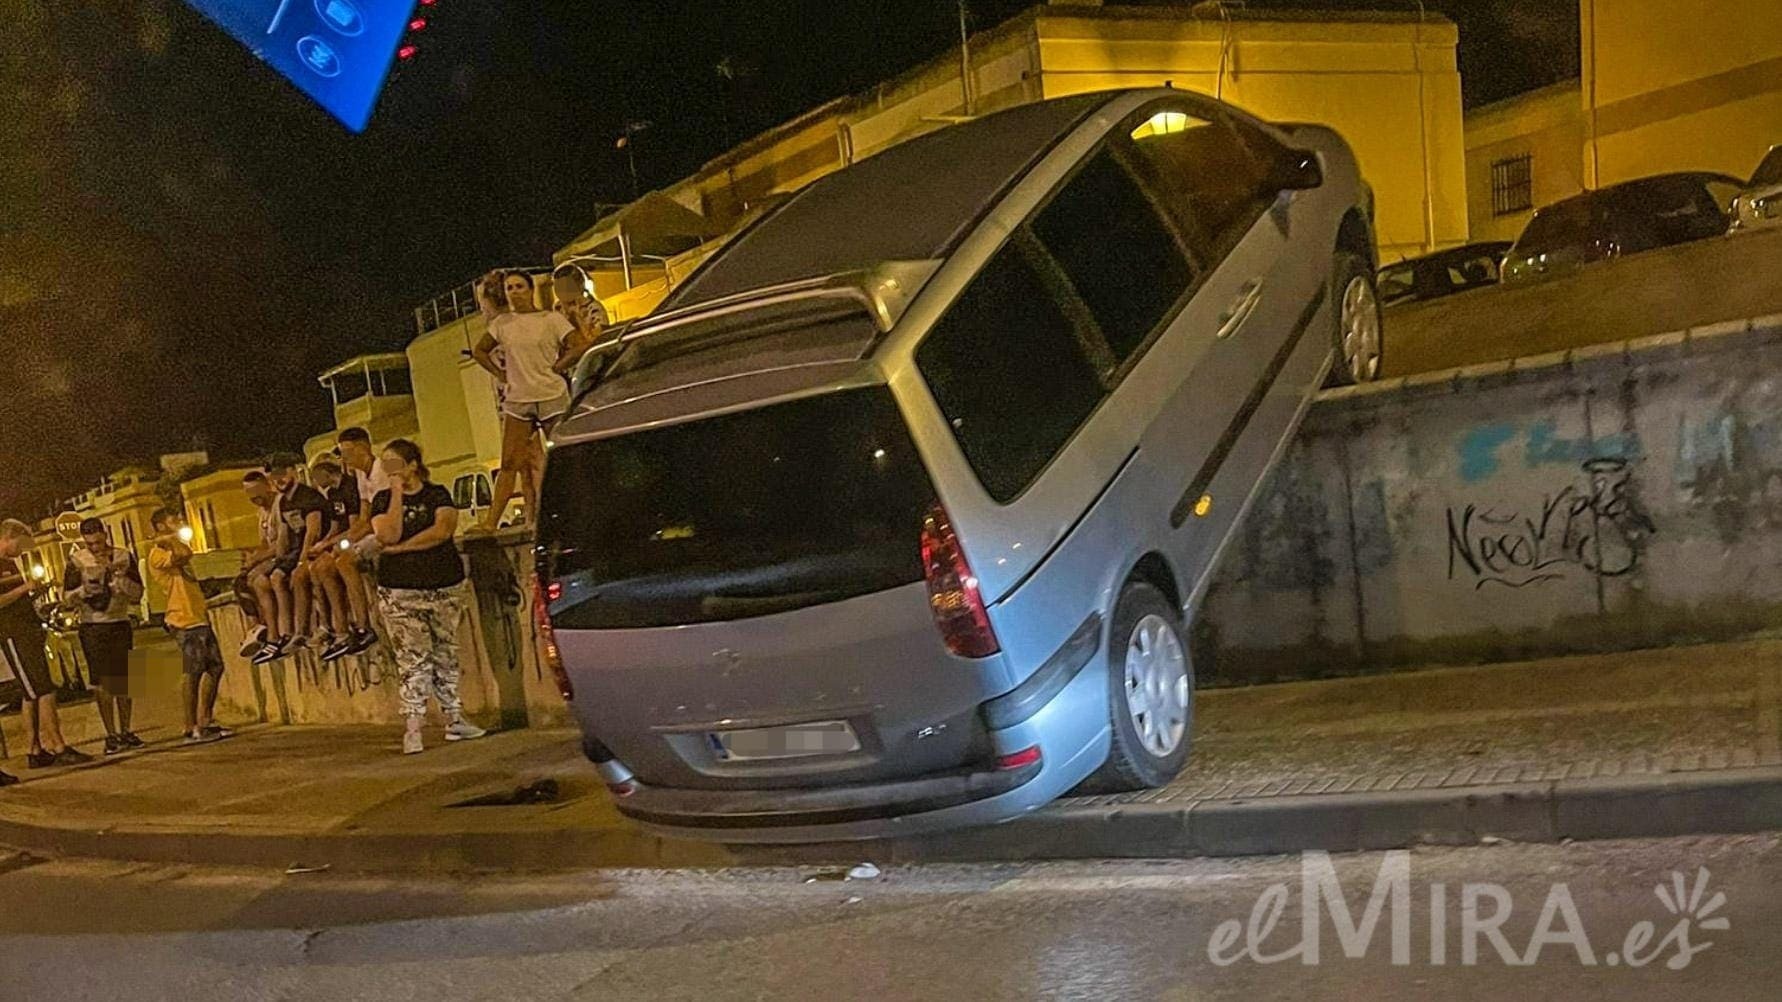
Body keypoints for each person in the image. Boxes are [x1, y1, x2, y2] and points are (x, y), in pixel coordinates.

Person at [368, 438, 486, 754]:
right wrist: (395, 493)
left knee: (446, 651)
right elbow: (386, 534)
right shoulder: (381, 500)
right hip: (401, 592)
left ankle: (455, 718)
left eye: (395, 463)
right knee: (412, 658)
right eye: (385, 464)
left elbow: (442, 531)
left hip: (442, 586)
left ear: (413, 465)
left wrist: (401, 549)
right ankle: (413, 727)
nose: (389, 470)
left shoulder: (438, 494)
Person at [471, 269, 578, 532]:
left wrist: (559, 366)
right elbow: (480, 351)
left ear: (530, 290)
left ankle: (576, 511)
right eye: (510, 288)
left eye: (519, 286)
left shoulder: (551, 319)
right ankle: (491, 522)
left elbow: (580, 343)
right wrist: (501, 374)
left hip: (551, 395)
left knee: (565, 455)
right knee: (509, 462)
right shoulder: (502, 324)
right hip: (519, 399)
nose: (515, 292)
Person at [0, 519, 90, 771]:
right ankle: (58, 745)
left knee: (32, 692)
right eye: (21, 544)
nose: (23, 550)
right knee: (44, 689)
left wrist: (37, 592)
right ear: (9, 537)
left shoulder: (10, 564)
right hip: (13, 635)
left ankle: (35, 749)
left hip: (26, 632)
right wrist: (24, 589)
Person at [147, 508, 232, 744]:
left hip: (198, 616)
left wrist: (172, 538)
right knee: (192, 672)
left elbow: (187, 552)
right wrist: (168, 540)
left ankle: (205, 719)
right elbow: (182, 556)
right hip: (183, 619)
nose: (180, 523)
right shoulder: (156, 553)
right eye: (174, 521)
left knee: (215, 667)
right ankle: (190, 725)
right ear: (161, 525)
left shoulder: (172, 544)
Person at [63, 518, 144, 756]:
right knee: (101, 683)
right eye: (90, 544)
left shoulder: (123, 556)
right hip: (93, 626)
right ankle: (110, 735)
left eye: (98, 542)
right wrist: (83, 591)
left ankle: (126, 730)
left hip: (119, 622)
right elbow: (66, 597)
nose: (96, 548)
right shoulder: (77, 561)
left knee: (123, 681)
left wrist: (122, 584)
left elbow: (139, 593)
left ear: (105, 535)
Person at [253, 453, 327, 664]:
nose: (278, 480)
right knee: (266, 579)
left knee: (289, 577)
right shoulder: (284, 501)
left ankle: (298, 631)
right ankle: (277, 635)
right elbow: (284, 537)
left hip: (311, 550)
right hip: (293, 551)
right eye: (274, 477)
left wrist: (302, 562)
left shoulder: (309, 497)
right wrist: (272, 560)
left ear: (294, 471)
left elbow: (313, 532)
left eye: (282, 474)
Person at [307, 457, 377, 661]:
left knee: (338, 563)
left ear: (326, 474)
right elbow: (337, 526)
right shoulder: (334, 493)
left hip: (357, 538)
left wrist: (331, 545)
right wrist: (324, 544)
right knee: (318, 569)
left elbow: (355, 526)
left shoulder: (350, 488)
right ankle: (337, 628)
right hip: (344, 539)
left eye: (316, 477)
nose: (315, 482)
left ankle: (361, 625)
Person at [235, 470, 280, 657]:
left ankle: (273, 634)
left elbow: (282, 543)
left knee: (260, 581)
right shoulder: (261, 513)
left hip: (283, 556)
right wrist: (252, 558)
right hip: (268, 557)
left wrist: (258, 560)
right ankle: (256, 628)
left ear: (267, 486)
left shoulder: (280, 505)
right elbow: (264, 543)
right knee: (240, 583)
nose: (254, 497)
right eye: (249, 494)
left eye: (256, 491)